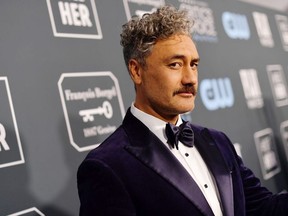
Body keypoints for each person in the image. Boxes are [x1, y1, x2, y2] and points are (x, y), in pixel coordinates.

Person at [77, 5, 288, 216]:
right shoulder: (107, 166)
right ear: (136, 70)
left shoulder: (218, 141)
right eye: (175, 65)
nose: (190, 79)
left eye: (194, 65)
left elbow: (264, 209)